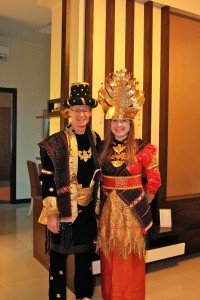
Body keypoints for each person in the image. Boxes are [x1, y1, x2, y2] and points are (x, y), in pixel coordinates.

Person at [96, 69, 161, 300]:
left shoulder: (144, 148)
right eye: (115, 120)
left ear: (131, 123)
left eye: (124, 120)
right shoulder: (101, 148)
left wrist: (142, 202)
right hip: (107, 213)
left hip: (133, 214)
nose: (119, 125)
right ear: (109, 122)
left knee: (131, 258)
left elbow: (154, 180)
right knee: (110, 258)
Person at [38, 82, 101, 300]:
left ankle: (83, 296)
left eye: (85, 110)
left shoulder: (96, 139)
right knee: (59, 264)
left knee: (84, 263)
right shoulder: (55, 142)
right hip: (63, 211)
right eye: (76, 110)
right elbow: (46, 180)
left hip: (87, 214)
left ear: (90, 113)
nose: (81, 114)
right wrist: (52, 214)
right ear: (69, 113)